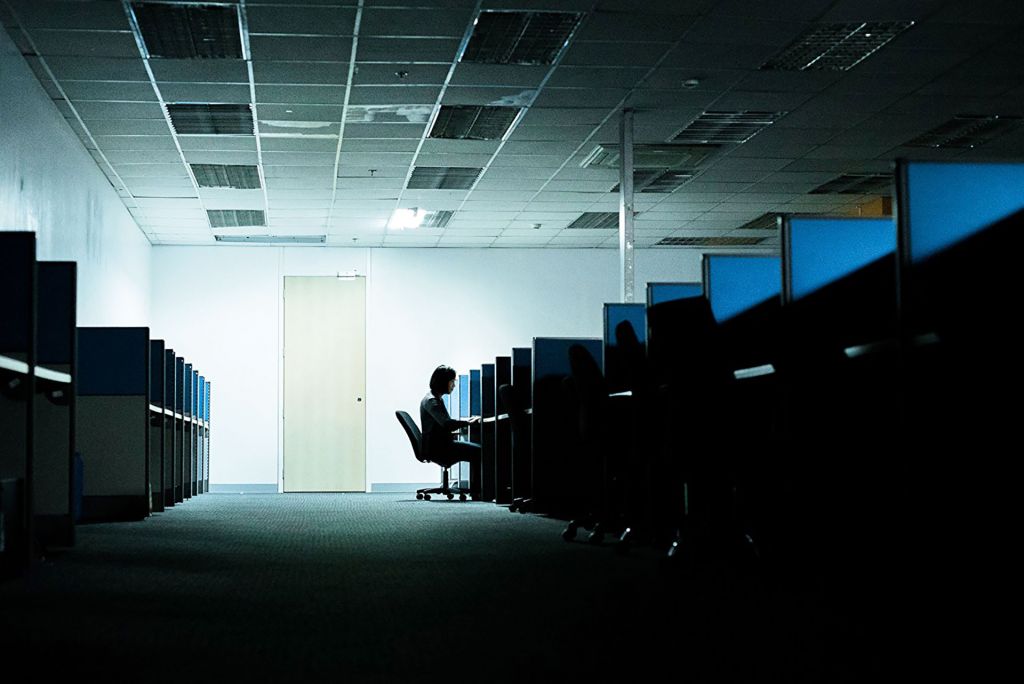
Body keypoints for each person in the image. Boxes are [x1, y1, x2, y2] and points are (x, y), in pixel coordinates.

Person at [420, 365, 481, 469]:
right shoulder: (432, 401)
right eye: (452, 382)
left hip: (437, 446)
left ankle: (478, 485)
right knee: (481, 453)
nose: (454, 385)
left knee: (478, 451)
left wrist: (465, 422)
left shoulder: (434, 398)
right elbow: (447, 424)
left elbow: (443, 424)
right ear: (443, 382)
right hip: (439, 449)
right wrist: (468, 422)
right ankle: (479, 485)